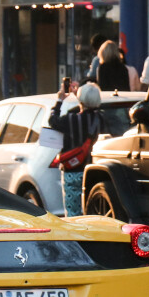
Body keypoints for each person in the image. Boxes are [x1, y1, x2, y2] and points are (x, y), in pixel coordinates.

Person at [48, 81, 104, 216]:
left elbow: (53, 121)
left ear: (80, 100)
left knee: (73, 213)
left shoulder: (71, 119)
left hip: (72, 171)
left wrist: (60, 100)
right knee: (95, 213)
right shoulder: (102, 119)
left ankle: (76, 236)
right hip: (96, 171)